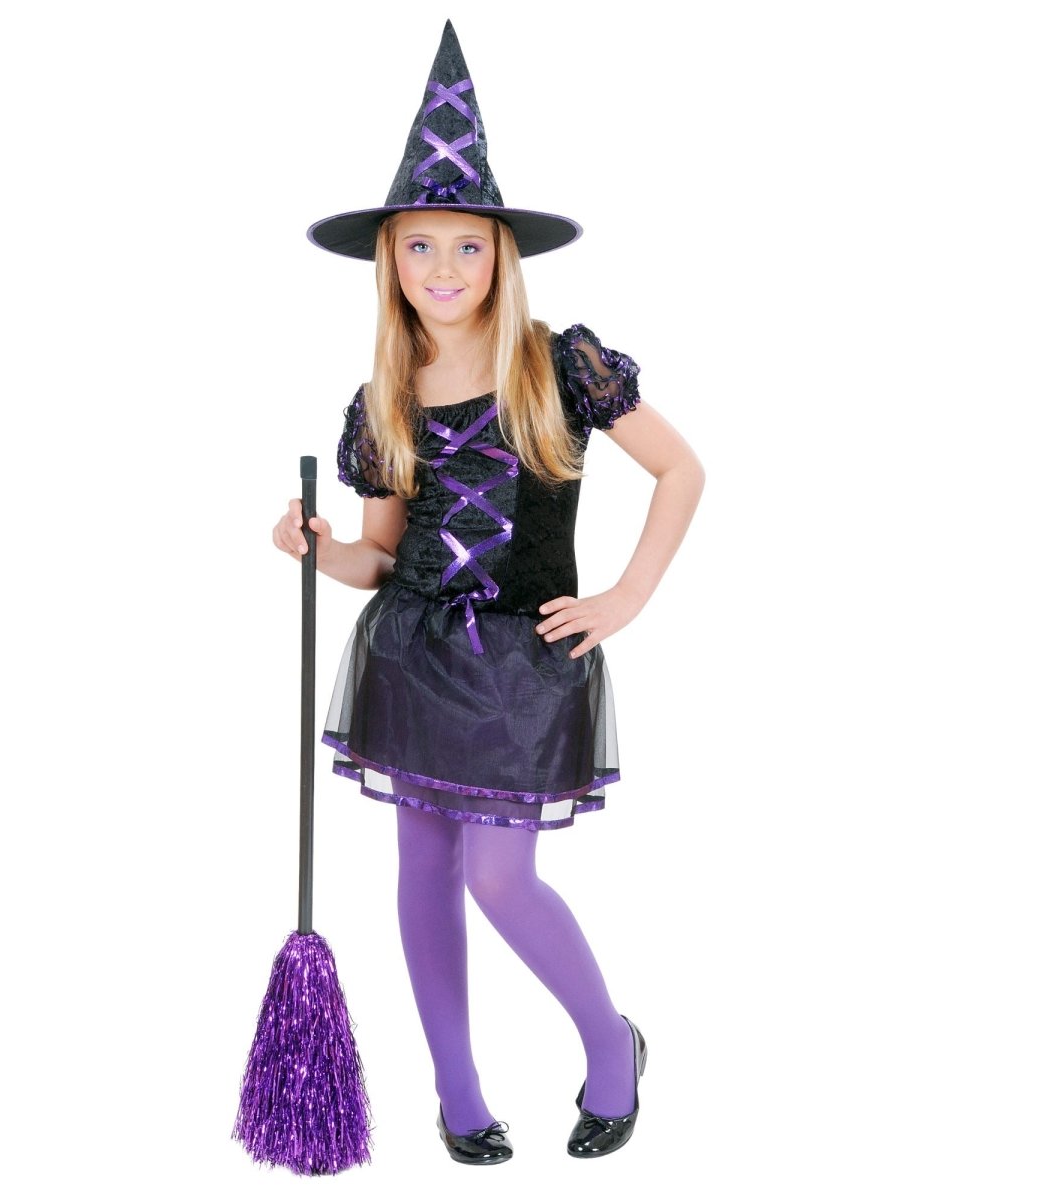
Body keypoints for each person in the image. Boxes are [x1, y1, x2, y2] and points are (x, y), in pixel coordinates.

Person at [272, 22, 704, 1164]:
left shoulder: (561, 364)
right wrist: (319, 548)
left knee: (503, 876)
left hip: (524, 664)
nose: (445, 269)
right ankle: (458, 1093)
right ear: (390, 262)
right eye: (421, 247)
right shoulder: (384, 399)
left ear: (502, 258)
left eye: (468, 247)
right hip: (413, 656)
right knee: (424, 868)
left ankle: (612, 1047)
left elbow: (681, 470)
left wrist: (625, 597)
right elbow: (380, 557)